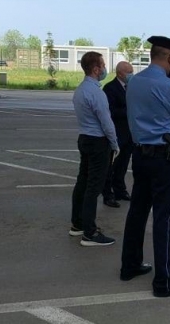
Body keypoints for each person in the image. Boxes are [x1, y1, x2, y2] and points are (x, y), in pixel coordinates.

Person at [121, 35, 170, 298]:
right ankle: (165, 280)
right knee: (165, 219)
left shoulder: (134, 82)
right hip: (164, 160)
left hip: (140, 156)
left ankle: (130, 265)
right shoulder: (167, 86)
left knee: (137, 213)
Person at [70, 51, 119, 246]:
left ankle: (78, 224)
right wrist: (115, 144)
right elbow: (106, 122)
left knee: (83, 182)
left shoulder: (80, 90)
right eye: (103, 65)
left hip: (85, 138)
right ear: (96, 68)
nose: (105, 69)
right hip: (98, 142)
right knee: (94, 187)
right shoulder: (97, 93)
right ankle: (90, 233)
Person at [101, 61, 135, 208]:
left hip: (130, 133)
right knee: (111, 166)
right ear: (120, 73)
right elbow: (111, 111)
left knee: (123, 165)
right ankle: (107, 194)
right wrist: (130, 112)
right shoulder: (110, 88)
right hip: (116, 133)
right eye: (129, 72)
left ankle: (120, 190)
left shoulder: (132, 87)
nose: (131, 74)